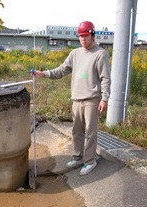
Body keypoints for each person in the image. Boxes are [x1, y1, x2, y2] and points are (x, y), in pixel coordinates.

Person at [33, 21, 111, 176]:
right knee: (77, 131)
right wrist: (45, 73)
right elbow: (62, 70)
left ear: (92, 35)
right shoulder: (75, 54)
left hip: (92, 99)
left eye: (86, 36)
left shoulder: (100, 54)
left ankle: (90, 161)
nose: (83, 39)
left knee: (90, 132)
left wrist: (104, 98)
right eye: (81, 36)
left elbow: (106, 78)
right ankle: (78, 157)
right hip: (77, 99)